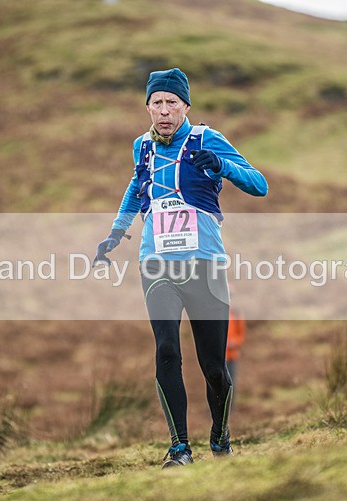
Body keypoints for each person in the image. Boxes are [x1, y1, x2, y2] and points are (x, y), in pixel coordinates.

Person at [93, 68, 268, 468]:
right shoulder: (142, 146)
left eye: (172, 102)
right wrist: (117, 232)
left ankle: (220, 435)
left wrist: (222, 167)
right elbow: (136, 189)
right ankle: (179, 448)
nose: (165, 110)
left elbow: (259, 184)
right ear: (148, 107)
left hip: (204, 263)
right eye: (157, 102)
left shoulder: (207, 138)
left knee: (213, 367)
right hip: (156, 264)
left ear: (186, 105)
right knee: (167, 351)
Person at [225, 294, 246, 390]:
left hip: (232, 356)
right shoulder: (217, 313)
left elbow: (241, 335)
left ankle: (230, 405)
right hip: (218, 356)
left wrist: (234, 342)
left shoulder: (236, 314)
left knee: (231, 383)